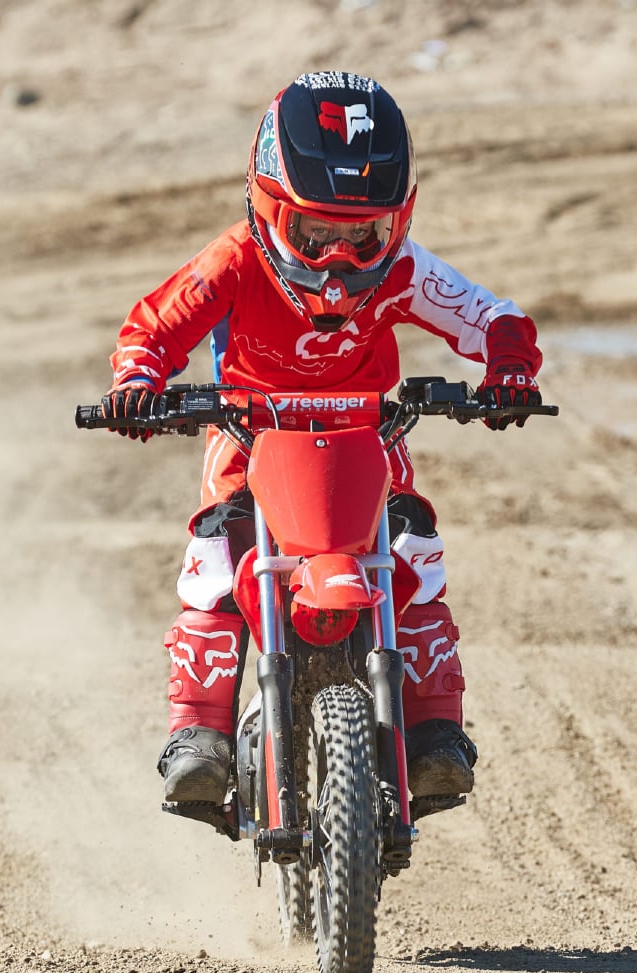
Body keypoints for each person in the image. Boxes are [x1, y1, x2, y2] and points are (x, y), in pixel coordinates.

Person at [97, 71, 543, 806]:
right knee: (214, 551)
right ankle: (197, 733)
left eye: (360, 236)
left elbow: (491, 316)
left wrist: (510, 368)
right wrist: (137, 383)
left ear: (395, 224)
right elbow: (154, 325)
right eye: (317, 234)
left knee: (412, 548)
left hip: (365, 435)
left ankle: (434, 733)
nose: (338, 261)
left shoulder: (401, 270)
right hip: (250, 431)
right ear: (272, 209)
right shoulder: (236, 261)